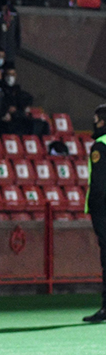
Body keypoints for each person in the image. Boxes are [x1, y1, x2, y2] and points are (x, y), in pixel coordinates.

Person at [84, 104, 106, 323]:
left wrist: (95, 206)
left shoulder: (100, 145)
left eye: (97, 119)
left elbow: (99, 183)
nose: (94, 122)